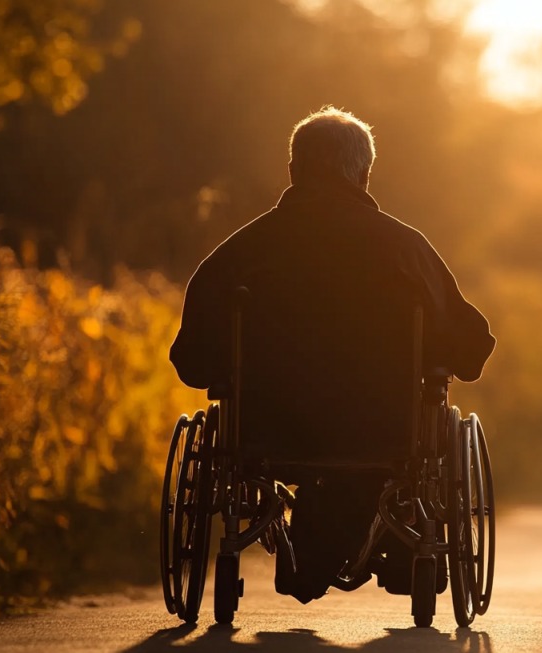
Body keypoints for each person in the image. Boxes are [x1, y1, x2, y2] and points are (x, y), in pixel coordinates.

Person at [169, 106, 495, 603]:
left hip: (268, 429)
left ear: (294, 170)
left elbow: (192, 361)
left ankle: (316, 551)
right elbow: (467, 347)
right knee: (418, 429)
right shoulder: (405, 249)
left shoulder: (244, 251)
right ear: (363, 173)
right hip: (386, 430)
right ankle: (390, 542)